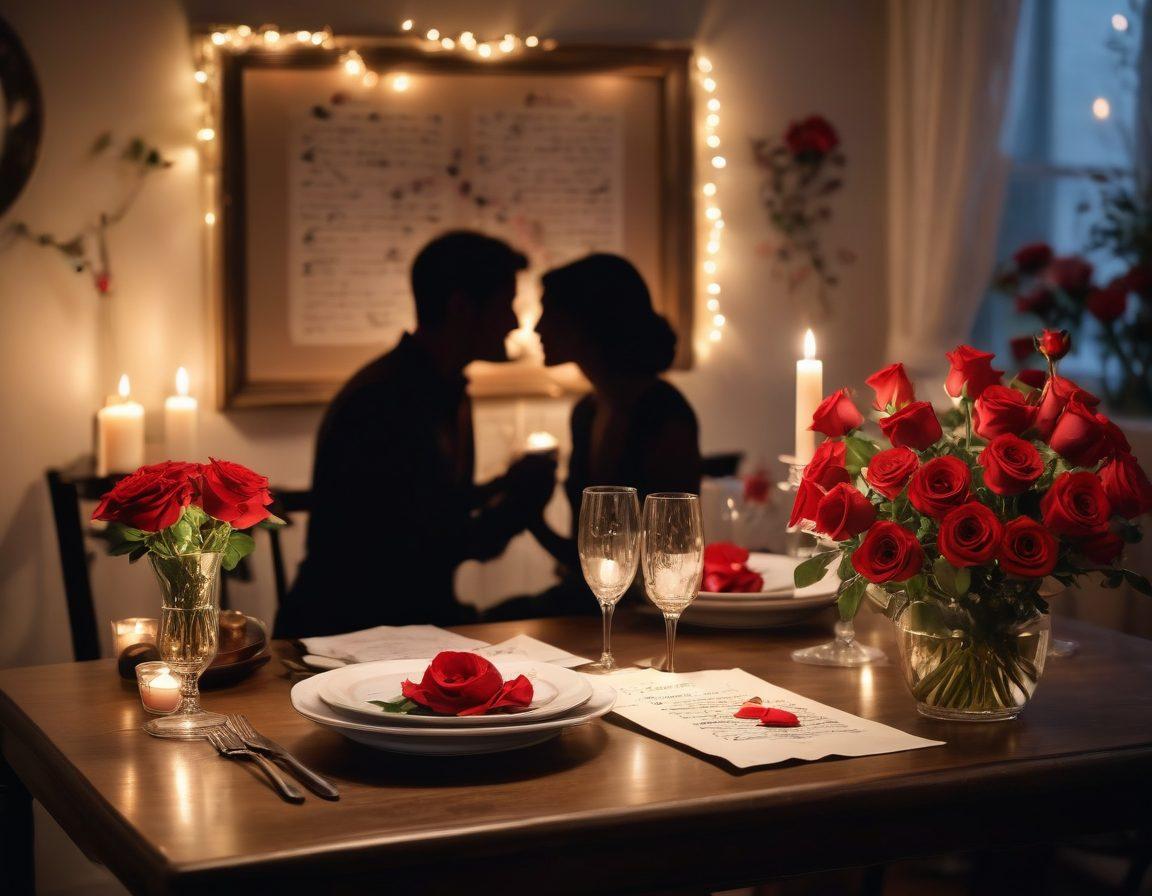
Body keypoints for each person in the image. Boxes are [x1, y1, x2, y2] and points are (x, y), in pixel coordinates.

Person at [275, 231, 557, 637]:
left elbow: (433, 506)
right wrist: (520, 503)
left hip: (411, 622)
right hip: (351, 631)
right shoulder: (384, 402)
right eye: (506, 304)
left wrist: (505, 485)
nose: (515, 322)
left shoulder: (442, 388)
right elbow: (425, 545)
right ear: (461, 307)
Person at [486, 254, 702, 620]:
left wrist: (530, 517)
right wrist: (529, 512)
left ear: (588, 322)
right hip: (591, 606)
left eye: (548, 312)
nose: (536, 327)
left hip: (647, 617)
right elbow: (591, 561)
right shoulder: (587, 411)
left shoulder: (663, 414)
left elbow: (666, 559)